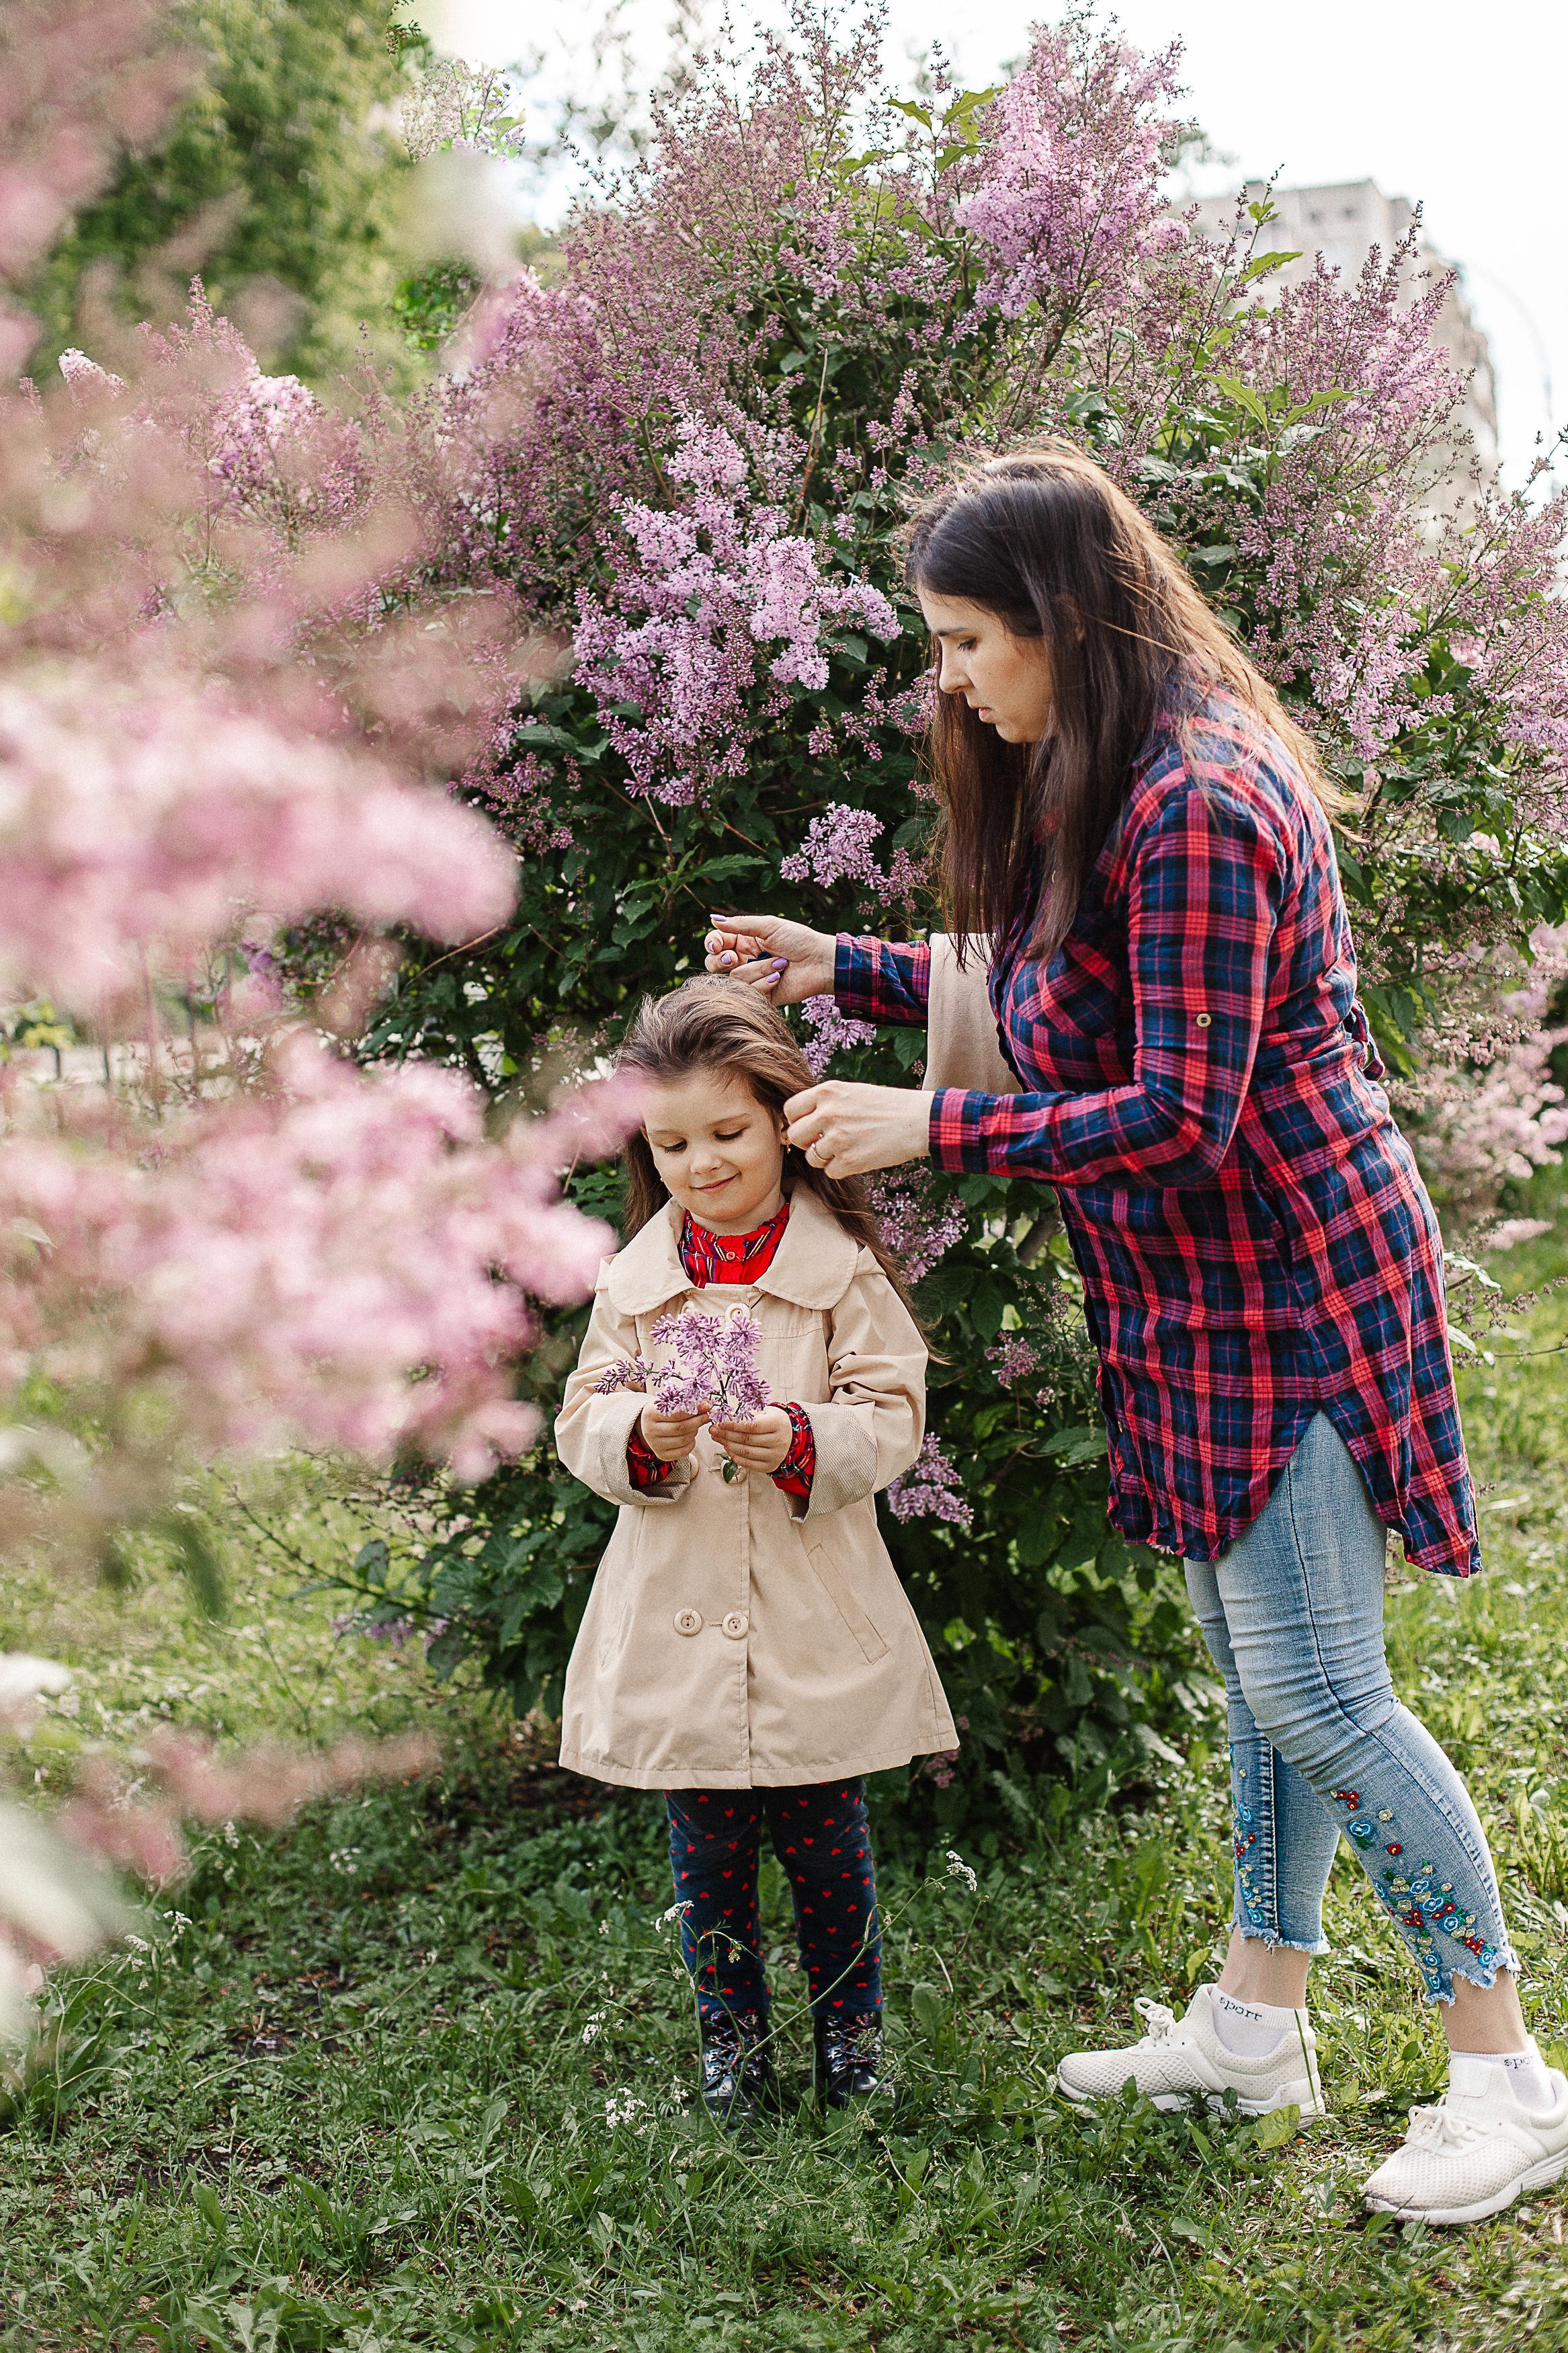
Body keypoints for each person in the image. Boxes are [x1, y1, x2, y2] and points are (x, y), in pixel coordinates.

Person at [701, 442, 1568, 2222]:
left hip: (1293, 1290)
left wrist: (929, 1126)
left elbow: (1176, 1105)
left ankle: (1504, 2072)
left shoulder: (1204, 801)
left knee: (1320, 1686)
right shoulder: (1098, 772)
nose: (948, 677)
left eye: (963, 640)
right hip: (1192, 1292)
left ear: (1063, 621)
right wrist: (842, 965)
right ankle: (1255, 2029)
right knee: (1266, 1681)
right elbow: (1042, 984)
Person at [554, 979, 956, 2124]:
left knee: (828, 1842)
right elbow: (582, 1416)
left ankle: (851, 2037)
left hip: (807, 1602)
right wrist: (643, 1434)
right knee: (708, 1852)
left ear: (784, 1120)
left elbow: (890, 1415)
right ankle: (731, 2041)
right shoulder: (636, 1284)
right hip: (676, 1600)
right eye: (672, 1142)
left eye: (728, 1133)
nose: (701, 1164)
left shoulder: (839, 1274)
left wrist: (799, 1439)